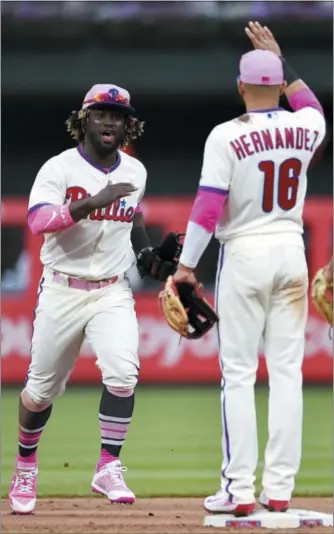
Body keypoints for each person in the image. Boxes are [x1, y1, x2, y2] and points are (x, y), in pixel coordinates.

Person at [172, 22, 326, 517]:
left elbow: (207, 208)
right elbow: (314, 108)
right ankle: (279, 488)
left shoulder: (225, 135)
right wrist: (285, 61)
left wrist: (186, 268)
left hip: (245, 251)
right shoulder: (306, 126)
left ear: (240, 86)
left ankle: (238, 490)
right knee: (288, 374)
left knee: (238, 374)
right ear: (279, 85)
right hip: (290, 249)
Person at [9, 84, 159, 514]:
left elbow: (134, 216)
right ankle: (24, 465)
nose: (109, 121)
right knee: (39, 393)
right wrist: (91, 203)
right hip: (62, 289)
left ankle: (108, 464)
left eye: (118, 115)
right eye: (101, 114)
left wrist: (147, 251)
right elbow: (38, 221)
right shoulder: (58, 168)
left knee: (123, 373)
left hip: (112, 289)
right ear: (84, 120)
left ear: (128, 124)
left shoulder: (136, 172)